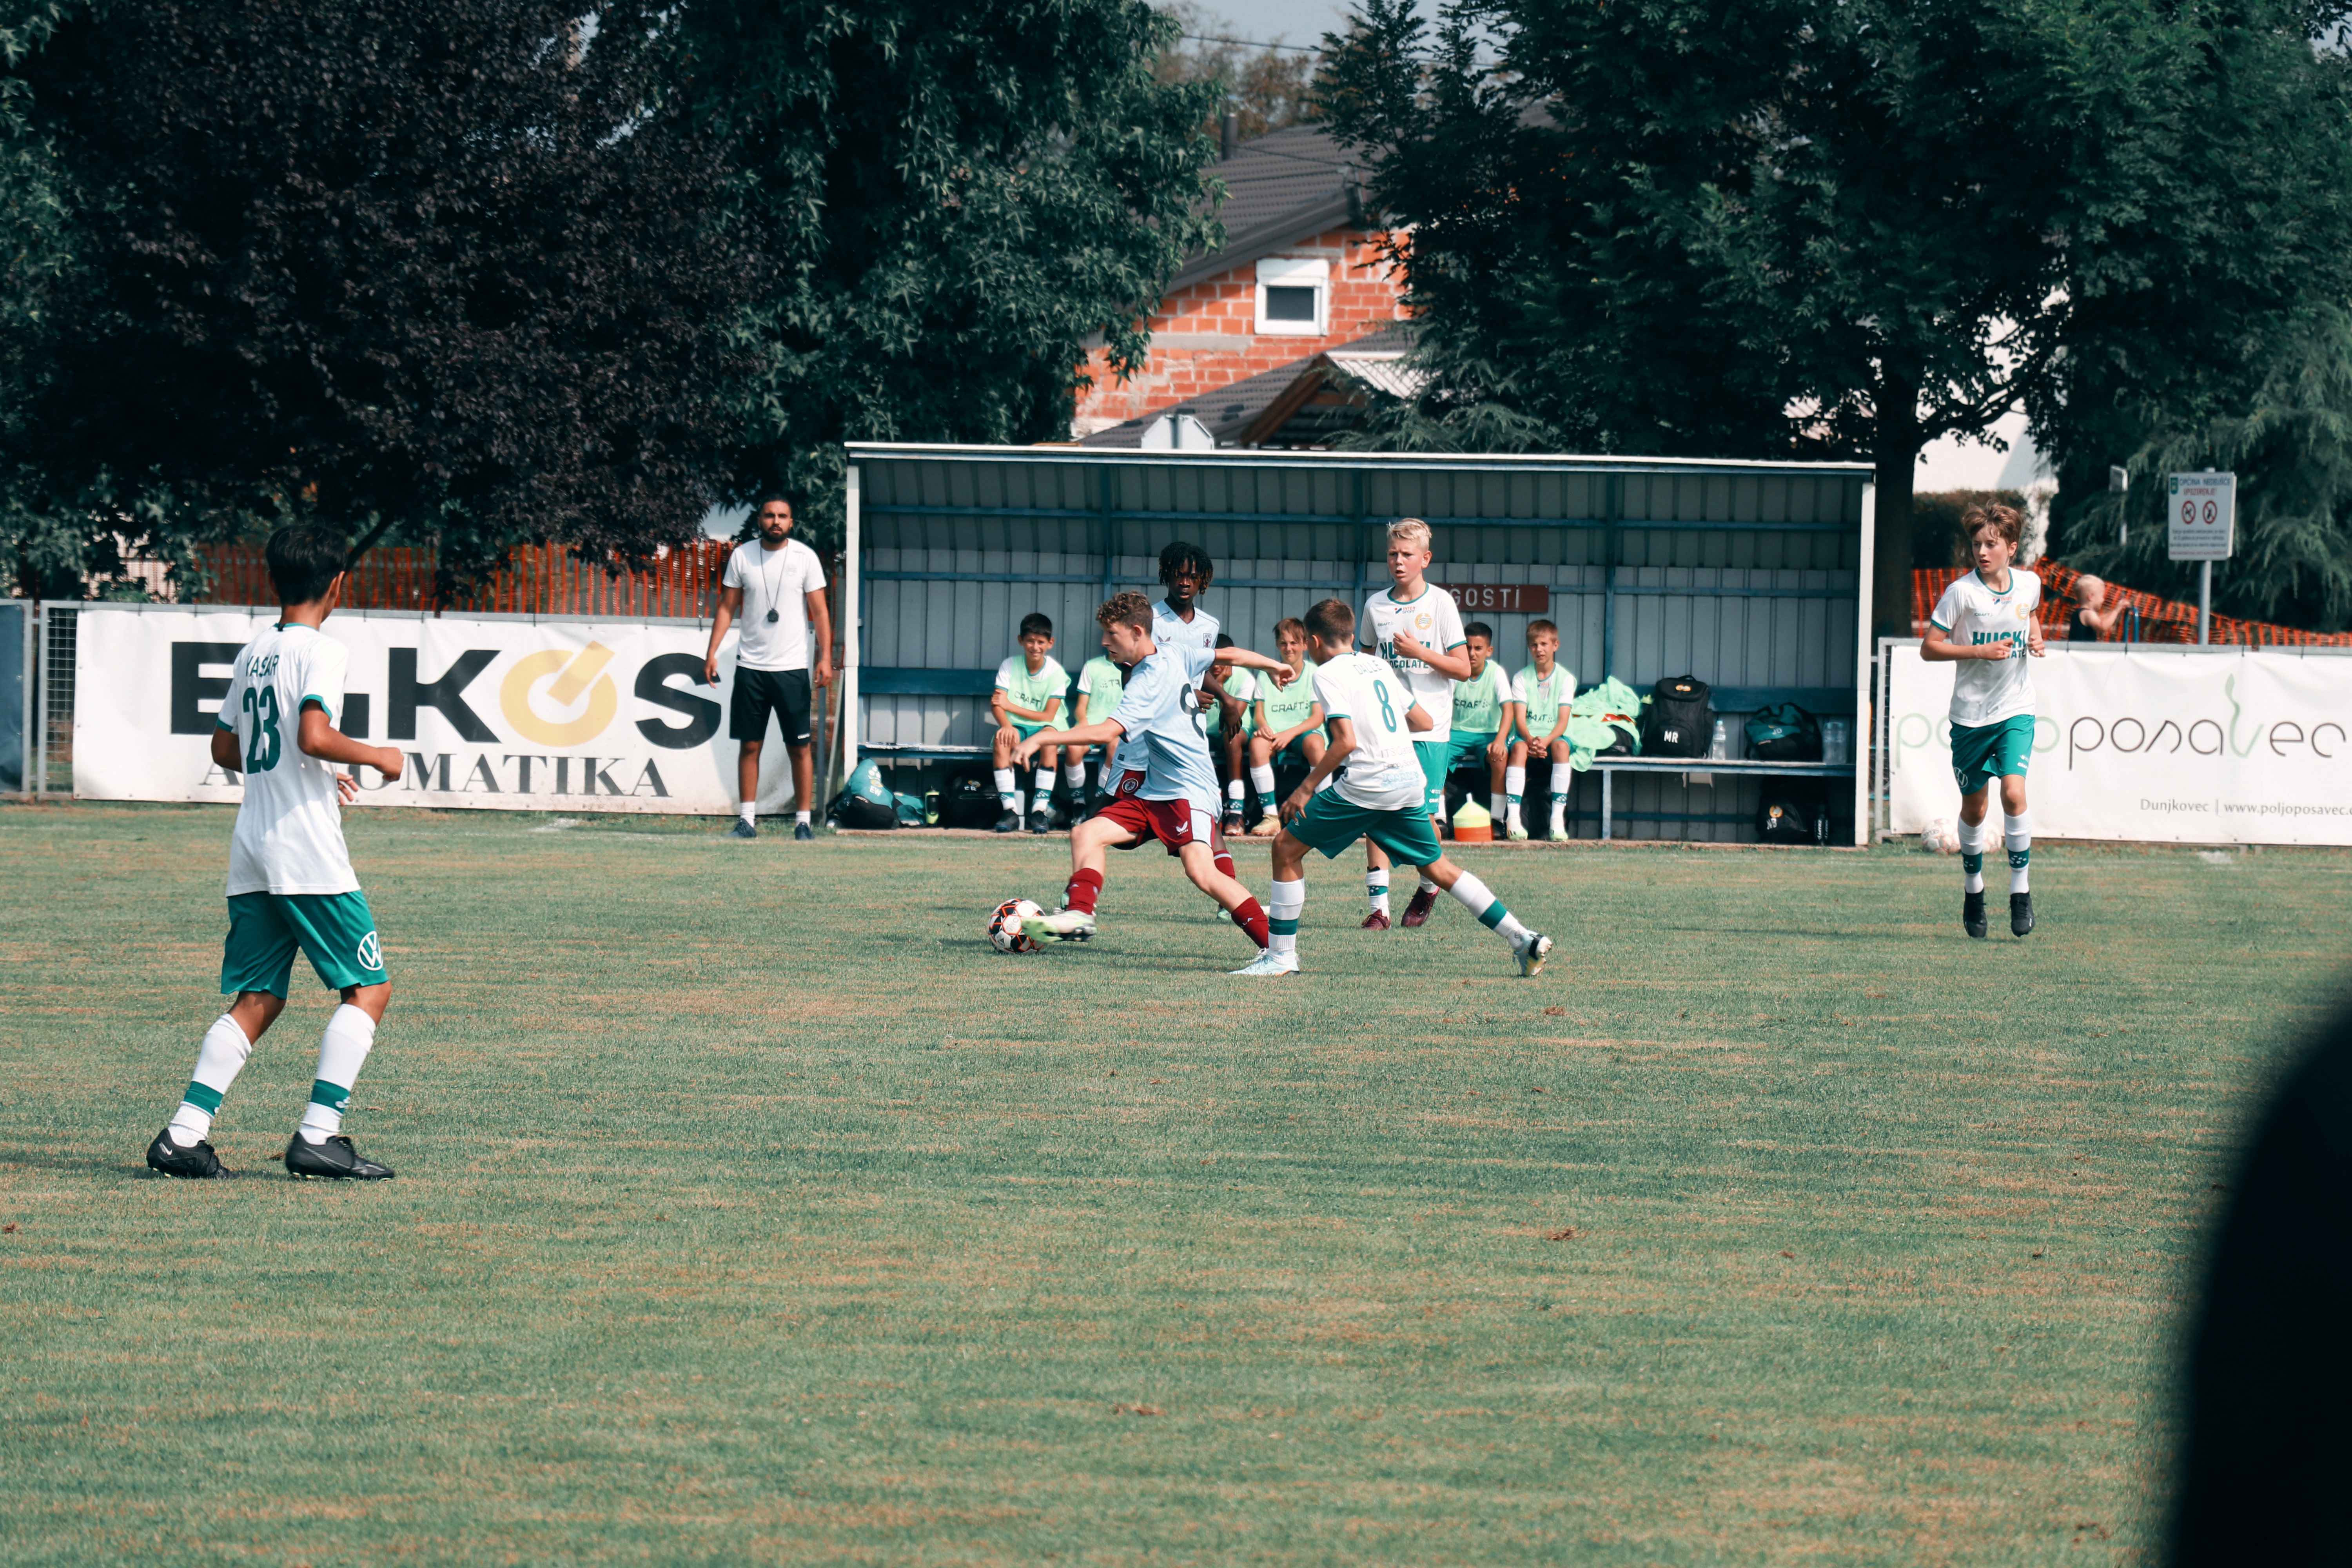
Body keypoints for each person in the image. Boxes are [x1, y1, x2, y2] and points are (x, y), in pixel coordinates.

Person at [146, 523, 407, 1181]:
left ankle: (183, 1136)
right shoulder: (323, 651)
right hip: (306, 851)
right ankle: (319, 1135)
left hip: (254, 850)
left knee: (259, 997)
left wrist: (308, 772)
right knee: (369, 989)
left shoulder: (254, 652)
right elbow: (314, 734)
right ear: (337, 584)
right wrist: (377, 755)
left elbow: (225, 748)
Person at [1233, 599, 1553, 979]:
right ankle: (1522, 938)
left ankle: (1281, 957)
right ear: (1352, 635)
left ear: (1314, 642)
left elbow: (1345, 742)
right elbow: (1423, 720)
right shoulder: (1379, 666)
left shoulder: (1327, 673)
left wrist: (1305, 789)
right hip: (1407, 781)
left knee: (1285, 849)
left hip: (1368, 785)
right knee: (1438, 867)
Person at [1018, 591, 1294, 960]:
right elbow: (1229, 654)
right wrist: (1273, 666)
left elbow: (1106, 732)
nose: (1105, 642)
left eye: (1111, 635)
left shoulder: (1147, 681)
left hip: (1188, 789)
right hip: (1155, 789)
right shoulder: (1173, 651)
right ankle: (1080, 914)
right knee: (1086, 833)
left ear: (1136, 632)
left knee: (1202, 872)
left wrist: (1044, 737)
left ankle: (1278, 952)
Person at [1921, 502, 2044, 938]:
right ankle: (1974, 890)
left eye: (1991, 544)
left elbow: (2030, 612)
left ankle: (2020, 891)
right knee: (1975, 809)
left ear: (2012, 547)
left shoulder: (2030, 584)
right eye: (1977, 545)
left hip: (2016, 708)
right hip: (1970, 717)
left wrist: (2036, 637)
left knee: (2014, 793)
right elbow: (1929, 647)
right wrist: (1977, 651)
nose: (1982, 552)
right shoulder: (1961, 593)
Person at [1359, 518, 1472, 928]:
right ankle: (1379, 909)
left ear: (1425, 559)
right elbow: (1365, 664)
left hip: (1430, 730)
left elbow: (1463, 669)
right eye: (1393, 554)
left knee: (1422, 821)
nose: (1399, 561)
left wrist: (1420, 653)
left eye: (1407, 554)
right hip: (1387, 729)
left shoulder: (1440, 604)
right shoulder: (1375, 606)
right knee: (1375, 812)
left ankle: (1428, 886)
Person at [703, 495, 833, 841]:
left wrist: (824, 657)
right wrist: (712, 651)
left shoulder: (805, 557)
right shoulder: (742, 556)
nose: (776, 521)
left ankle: (803, 823)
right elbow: (727, 607)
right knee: (750, 746)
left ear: (791, 522)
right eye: (770, 515)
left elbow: (820, 611)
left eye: (783, 516)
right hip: (752, 668)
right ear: (759, 520)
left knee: (799, 748)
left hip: (791, 668)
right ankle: (747, 821)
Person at [1245, 616, 1326, 837]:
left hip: (1302, 732)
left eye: (1294, 643)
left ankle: (1324, 814)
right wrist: (1263, 727)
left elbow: (1317, 718)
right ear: (1277, 645)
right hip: (1275, 734)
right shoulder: (1266, 674)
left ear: (1305, 645)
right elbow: (1259, 715)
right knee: (1258, 745)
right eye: (1283, 643)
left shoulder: (1314, 673)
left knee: (1316, 745)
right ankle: (1271, 817)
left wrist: (1289, 734)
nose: (1288, 648)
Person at [989, 612, 1069, 834]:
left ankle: (1039, 811)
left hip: (1047, 726)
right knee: (1002, 740)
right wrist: (1006, 725)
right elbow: (997, 704)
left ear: (1050, 643)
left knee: (1049, 741)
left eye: (1041, 642)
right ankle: (1010, 812)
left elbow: (1048, 716)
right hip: (1017, 726)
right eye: (1030, 641)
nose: (1035, 647)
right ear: (1021, 641)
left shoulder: (1056, 673)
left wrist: (1010, 706)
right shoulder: (1009, 665)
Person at [1508, 621, 1573, 841]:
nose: (1540, 650)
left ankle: (1557, 822)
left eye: (1544, 644)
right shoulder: (1521, 678)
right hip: (1527, 736)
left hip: (1552, 737)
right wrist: (1529, 739)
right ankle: (1513, 821)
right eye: (1535, 645)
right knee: (1518, 749)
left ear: (1556, 645)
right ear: (1530, 648)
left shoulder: (1566, 679)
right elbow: (1519, 719)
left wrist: (1545, 741)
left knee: (1562, 747)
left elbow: (1563, 722)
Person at [1448, 621, 1515, 830]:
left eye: (1478, 648)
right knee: (1435, 754)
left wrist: (1500, 740)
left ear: (1489, 651)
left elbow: (1509, 709)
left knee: (1500, 757)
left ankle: (1497, 820)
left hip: (1488, 734)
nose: (1472, 653)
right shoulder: (1455, 670)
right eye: (1468, 647)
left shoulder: (1496, 672)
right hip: (1457, 732)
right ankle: (1438, 819)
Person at [1203, 633, 1258, 835]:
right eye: (1214, 660)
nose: (1217, 666)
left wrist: (1220, 686)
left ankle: (1236, 812)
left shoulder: (1245, 678)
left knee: (1232, 736)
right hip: (1205, 733)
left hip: (1237, 730)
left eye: (1223, 660)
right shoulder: (1199, 676)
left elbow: (1231, 720)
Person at [1068, 644, 1127, 804]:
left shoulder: (1132, 669)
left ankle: (1100, 799)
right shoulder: (1093, 666)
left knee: (1116, 748)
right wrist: (1083, 724)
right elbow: (1081, 707)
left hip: (1117, 729)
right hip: (1092, 727)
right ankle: (1078, 803)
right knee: (1073, 748)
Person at [2067, 574, 2127, 641]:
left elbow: (2100, 619)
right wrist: (2116, 611)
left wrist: (2115, 611)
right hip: (2083, 649)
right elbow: (2103, 627)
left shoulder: (2079, 613)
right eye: (2102, 596)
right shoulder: (2088, 614)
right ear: (2091, 597)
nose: (2103, 600)